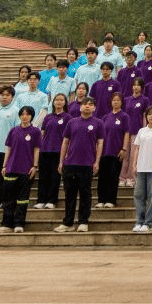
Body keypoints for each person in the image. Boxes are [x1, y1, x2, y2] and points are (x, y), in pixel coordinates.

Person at [55, 97, 104, 233]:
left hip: (87, 164)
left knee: (85, 194)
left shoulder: (98, 123)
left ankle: (83, 221)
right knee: (69, 194)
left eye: (90, 104)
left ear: (94, 108)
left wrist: (97, 162)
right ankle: (68, 223)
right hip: (70, 163)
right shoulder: (72, 122)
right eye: (84, 104)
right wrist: (61, 161)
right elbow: (65, 142)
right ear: (80, 107)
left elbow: (100, 143)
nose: (87, 106)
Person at [0, 105, 41, 233]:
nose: (25, 117)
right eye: (22, 114)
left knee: (23, 199)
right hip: (11, 168)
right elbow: (8, 148)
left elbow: (37, 149)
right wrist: (4, 165)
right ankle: (6, 224)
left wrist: (35, 166)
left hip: (26, 169)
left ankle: (19, 223)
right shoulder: (13, 131)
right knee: (8, 198)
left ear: (32, 116)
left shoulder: (35, 131)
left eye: (28, 114)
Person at [96, 92, 131, 209]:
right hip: (104, 152)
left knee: (113, 176)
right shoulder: (105, 117)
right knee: (103, 176)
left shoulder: (124, 116)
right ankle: (101, 199)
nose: (115, 102)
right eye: (114, 100)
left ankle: (111, 200)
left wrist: (124, 148)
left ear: (121, 102)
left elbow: (126, 133)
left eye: (118, 100)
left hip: (117, 151)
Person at [34, 93, 69, 209]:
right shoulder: (48, 117)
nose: (58, 102)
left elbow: (68, 137)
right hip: (45, 150)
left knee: (55, 176)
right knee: (43, 176)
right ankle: (41, 199)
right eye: (56, 100)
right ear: (53, 102)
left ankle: (51, 200)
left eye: (61, 100)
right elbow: (42, 133)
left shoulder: (67, 118)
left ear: (65, 102)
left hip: (58, 151)